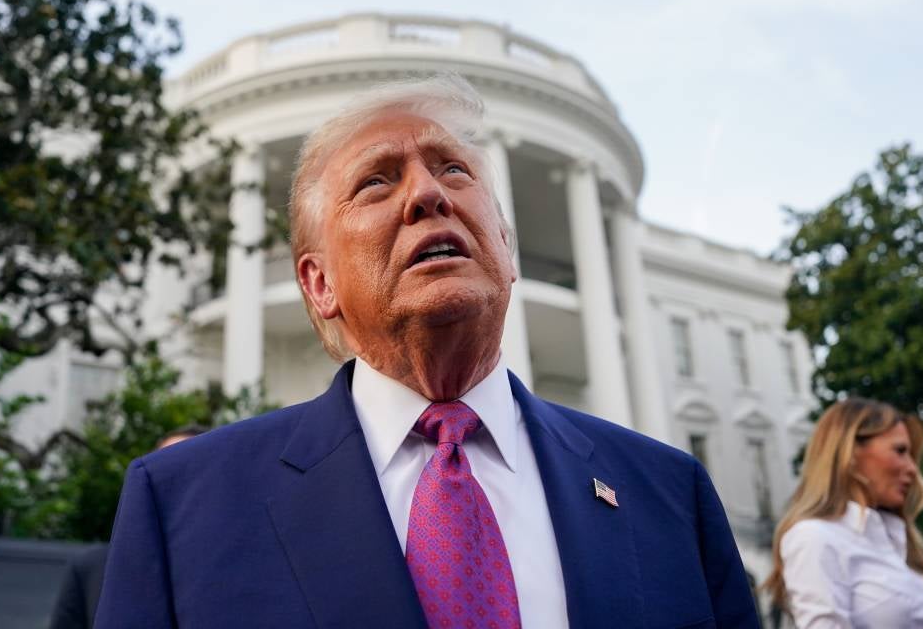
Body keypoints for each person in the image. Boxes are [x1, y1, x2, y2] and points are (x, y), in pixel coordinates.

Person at [95, 73, 759, 628]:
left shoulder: (669, 494)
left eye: (452, 168)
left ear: (505, 243)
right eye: (377, 182)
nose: (428, 194)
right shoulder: (184, 507)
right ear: (318, 282)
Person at [763, 398, 923, 628]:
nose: (912, 469)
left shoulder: (896, 539)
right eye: (900, 451)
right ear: (850, 453)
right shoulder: (814, 537)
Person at [48, 426, 208, 629]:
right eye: (165, 470)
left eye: (188, 471)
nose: (174, 484)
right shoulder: (94, 567)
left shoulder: (229, 570)